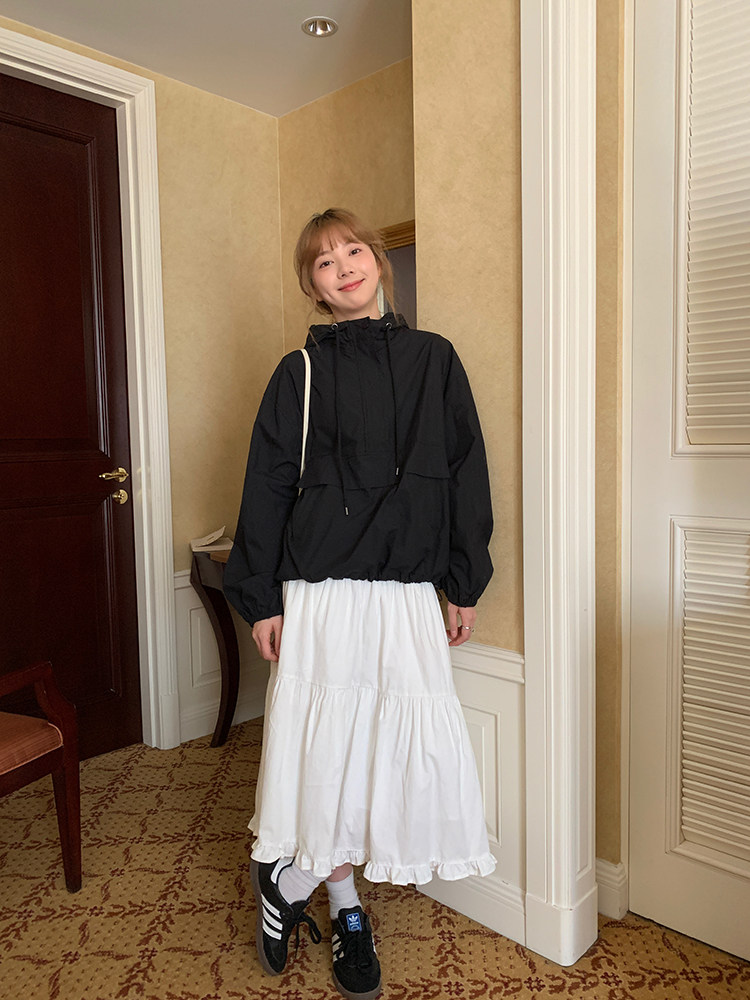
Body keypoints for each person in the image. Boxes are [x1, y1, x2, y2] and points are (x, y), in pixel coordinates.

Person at [224, 208, 495, 1000]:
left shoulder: (434, 359)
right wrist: (260, 599)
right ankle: (346, 907)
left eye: (352, 250)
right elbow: (267, 486)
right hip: (321, 592)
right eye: (322, 261)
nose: (342, 265)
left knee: (386, 751)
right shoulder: (298, 374)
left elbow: (466, 470)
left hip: (406, 591)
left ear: (378, 260)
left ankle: (288, 880)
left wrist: (463, 579)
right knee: (330, 756)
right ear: (312, 287)